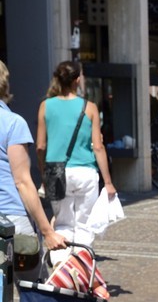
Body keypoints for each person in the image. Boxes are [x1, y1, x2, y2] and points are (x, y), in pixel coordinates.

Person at [0, 60, 100, 302]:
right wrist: (47, 230)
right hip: (12, 227)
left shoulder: (45, 107)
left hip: (53, 180)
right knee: (41, 296)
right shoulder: (11, 123)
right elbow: (22, 182)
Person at [36, 60, 116, 250]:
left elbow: (40, 146)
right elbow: (98, 147)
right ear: (77, 80)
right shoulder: (89, 108)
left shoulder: (45, 106)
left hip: (55, 171)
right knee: (84, 224)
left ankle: (62, 267)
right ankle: (81, 267)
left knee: (62, 223)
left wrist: (43, 174)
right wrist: (109, 182)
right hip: (85, 171)